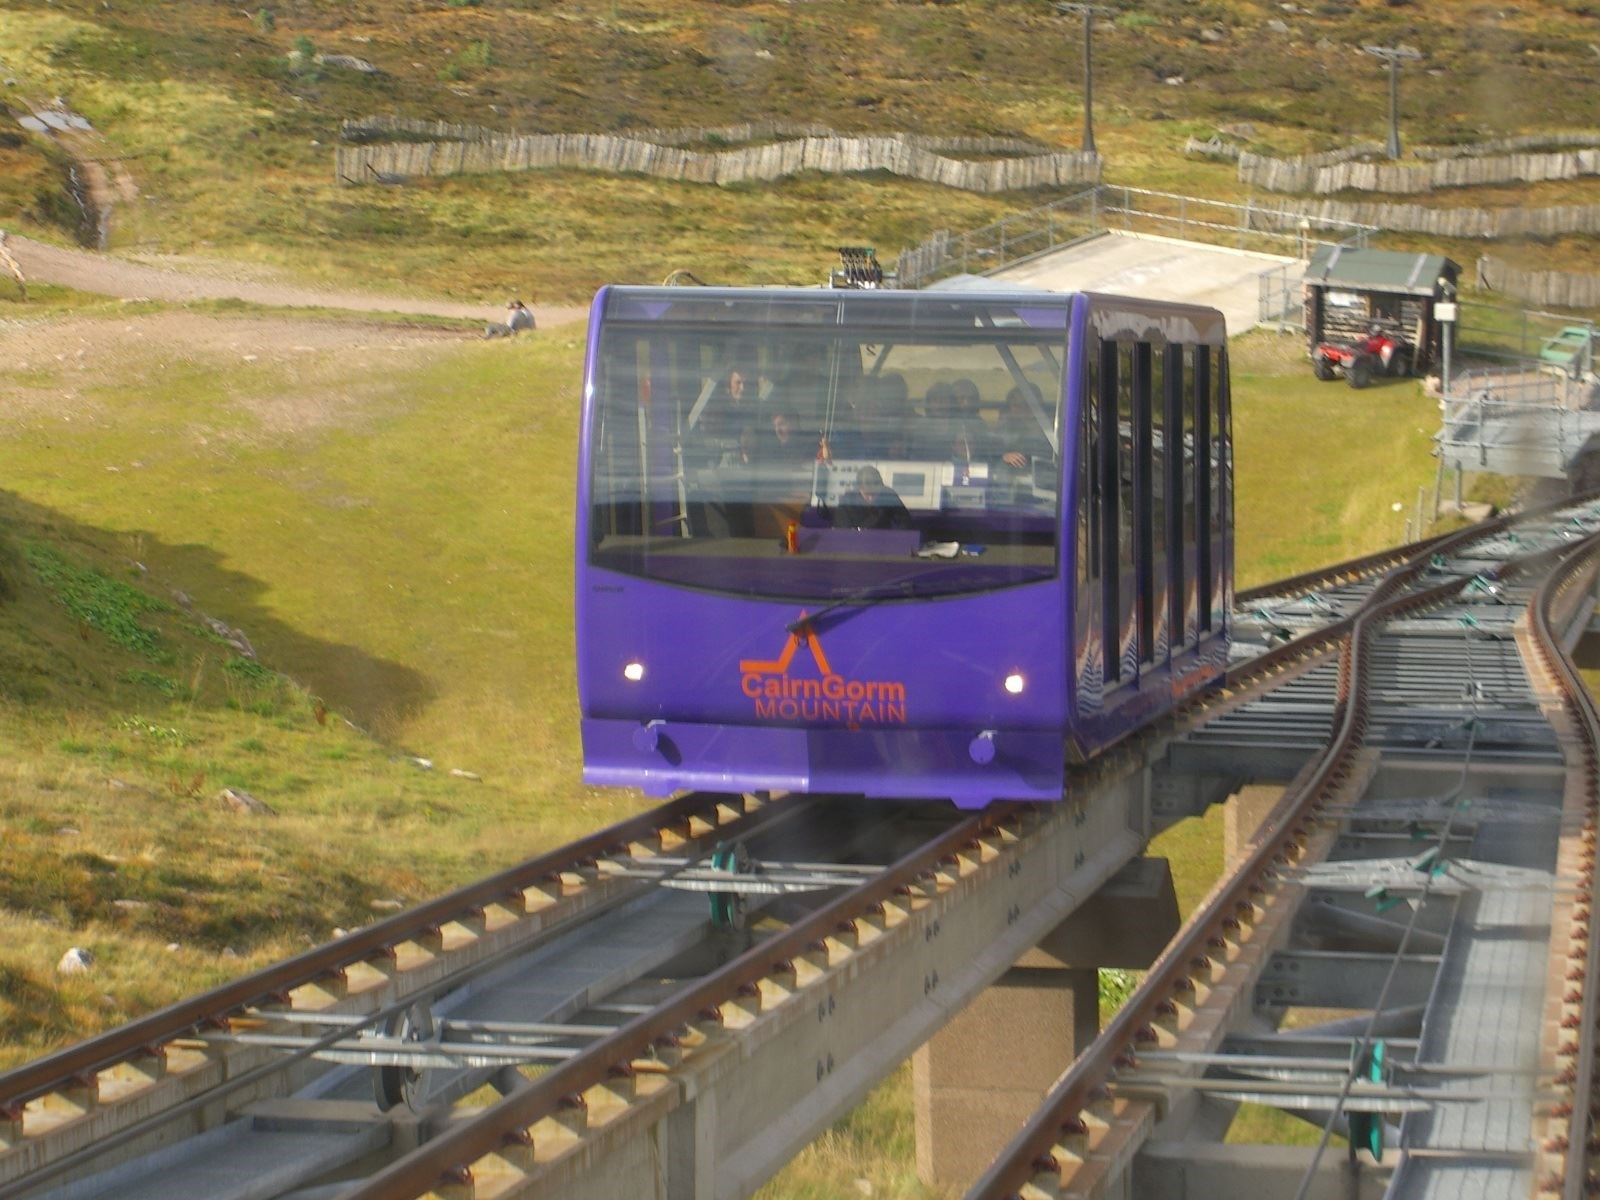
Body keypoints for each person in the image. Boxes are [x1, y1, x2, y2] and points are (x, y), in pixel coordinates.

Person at [835, 465, 912, 531]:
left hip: (884, 542)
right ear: (859, 489)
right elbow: (842, 531)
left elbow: (906, 523)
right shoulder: (848, 501)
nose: (871, 498)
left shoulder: (888, 496)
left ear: (881, 488)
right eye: (867, 495)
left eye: (874, 494)